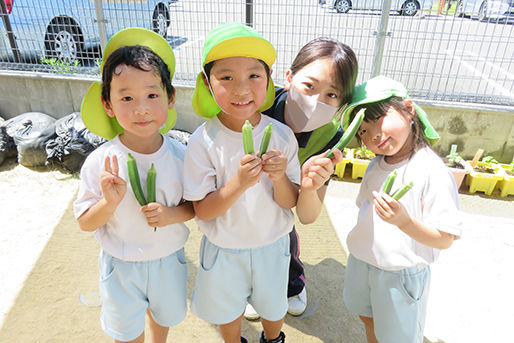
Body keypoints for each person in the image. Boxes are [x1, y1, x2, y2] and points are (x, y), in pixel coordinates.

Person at [74, 28, 194, 343]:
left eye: (152, 95)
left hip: (168, 258)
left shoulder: (183, 157)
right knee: (125, 333)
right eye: (126, 97)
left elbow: (197, 206)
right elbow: (86, 222)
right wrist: (108, 203)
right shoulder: (101, 162)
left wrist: (171, 215)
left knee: (162, 317)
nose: (140, 108)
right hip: (120, 266)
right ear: (108, 104)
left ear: (170, 99)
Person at [183, 23, 300, 343]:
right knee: (227, 309)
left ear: (269, 78)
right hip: (223, 248)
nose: (241, 89)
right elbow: (203, 211)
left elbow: (290, 202)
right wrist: (238, 183)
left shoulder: (281, 136)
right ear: (207, 83)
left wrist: (278, 178)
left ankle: (273, 339)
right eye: (226, 77)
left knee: (273, 306)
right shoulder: (202, 141)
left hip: (272, 244)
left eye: (253, 75)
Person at [341, 76, 463, 343]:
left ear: (409, 109)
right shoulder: (376, 164)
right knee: (367, 316)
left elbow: (444, 239)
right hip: (362, 261)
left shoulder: (432, 171)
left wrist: (404, 221)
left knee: (398, 337)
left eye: (378, 118)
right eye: (362, 130)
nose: (371, 134)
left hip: (401, 273)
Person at [244, 37, 358, 319]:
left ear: (342, 102)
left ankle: (293, 283)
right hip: (247, 193)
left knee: (285, 236)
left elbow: (307, 215)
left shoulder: (331, 137)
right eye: (309, 85)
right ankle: (248, 286)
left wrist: (309, 187)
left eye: (332, 95)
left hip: (287, 198)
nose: (316, 101)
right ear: (289, 77)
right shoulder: (258, 110)